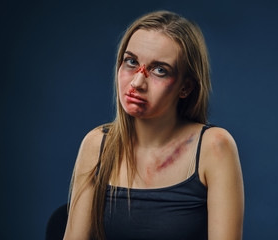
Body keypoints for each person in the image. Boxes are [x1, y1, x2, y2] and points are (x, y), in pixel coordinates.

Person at [63, 10, 244, 240]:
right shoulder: (98, 144)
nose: (137, 82)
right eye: (131, 62)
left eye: (159, 70)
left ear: (185, 87)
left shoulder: (215, 147)